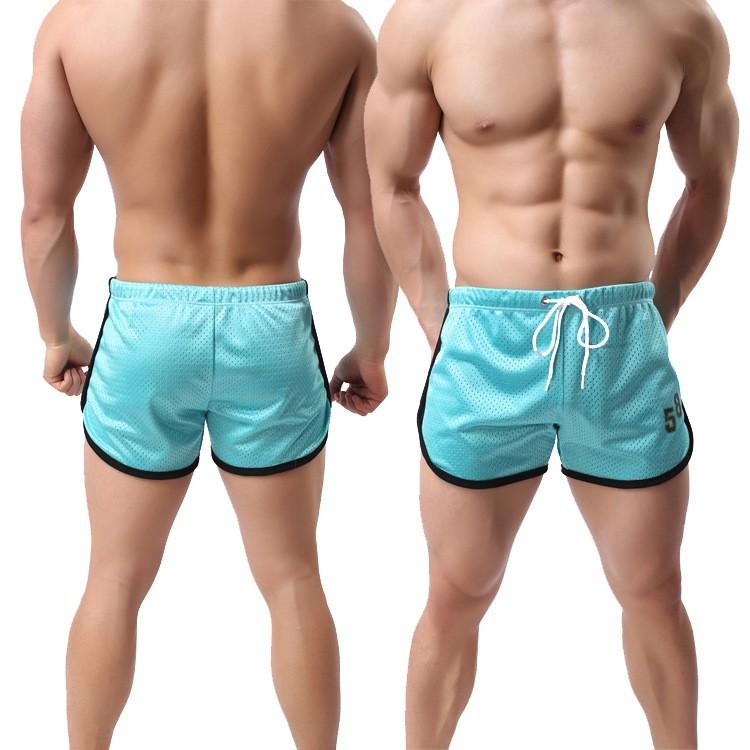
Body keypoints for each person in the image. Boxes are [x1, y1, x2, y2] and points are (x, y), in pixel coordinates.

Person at [20, 1, 395, 748]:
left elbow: (44, 214)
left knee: (113, 579)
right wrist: (372, 347)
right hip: (270, 328)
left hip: (145, 328)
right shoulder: (338, 29)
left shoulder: (78, 23)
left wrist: (55, 332)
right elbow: (370, 216)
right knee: (293, 579)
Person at [365, 0, 737, 747]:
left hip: (621, 339)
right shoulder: (429, 20)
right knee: (457, 591)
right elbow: (394, 183)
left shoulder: (679, 21)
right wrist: (443, 328)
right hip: (485, 342)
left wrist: (654, 315)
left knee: (654, 589)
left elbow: (710, 183)